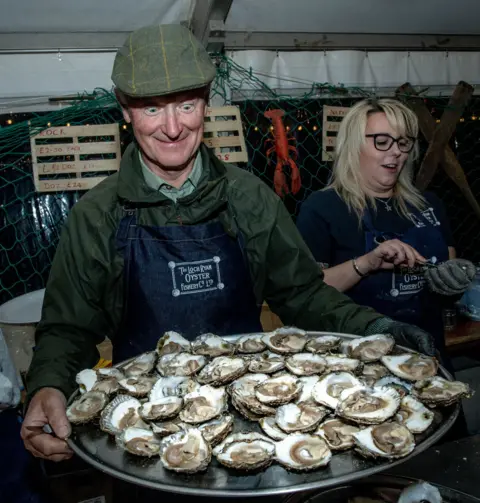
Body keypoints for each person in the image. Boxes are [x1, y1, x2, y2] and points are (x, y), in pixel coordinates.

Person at [21, 26, 436, 498]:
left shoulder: (247, 197)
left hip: (249, 432)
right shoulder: (97, 215)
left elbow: (303, 294)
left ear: (206, 102)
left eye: (186, 105)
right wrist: (48, 386)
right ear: (124, 109)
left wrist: (381, 330)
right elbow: (67, 329)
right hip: (147, 449)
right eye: (152, 107)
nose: (173, 128)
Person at [296, 98, 474, 370]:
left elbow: (448, 266)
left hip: (428, 354)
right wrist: (367, 263)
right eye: (382, 141)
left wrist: (455, 279)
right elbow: (307, 294)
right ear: (354, 144)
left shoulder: (428, 204)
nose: (396, 153)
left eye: (403, 143)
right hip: (356, 364)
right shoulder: (323, 208)